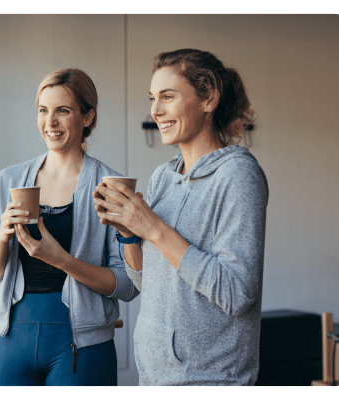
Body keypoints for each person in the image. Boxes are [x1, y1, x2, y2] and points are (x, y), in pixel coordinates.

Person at [93, 49, 268, 385]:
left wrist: (155, 229)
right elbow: (148, 282)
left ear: (209, 99)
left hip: (209, 380)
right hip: (154, 376)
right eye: (153, 98)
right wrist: (129, 234)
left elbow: (237, 294)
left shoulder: (238, 176)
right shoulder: (163, 177)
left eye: (168, 97)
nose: (155, 110)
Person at [0, 68, 139, 386]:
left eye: (62, 111)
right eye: (43, 110)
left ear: (87, 117)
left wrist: (60, 259)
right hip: (14, 339)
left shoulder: (110, 186)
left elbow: (127, 285)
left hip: (83, 347)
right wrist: (1, 237)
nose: (49, 123)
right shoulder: (10, 180)